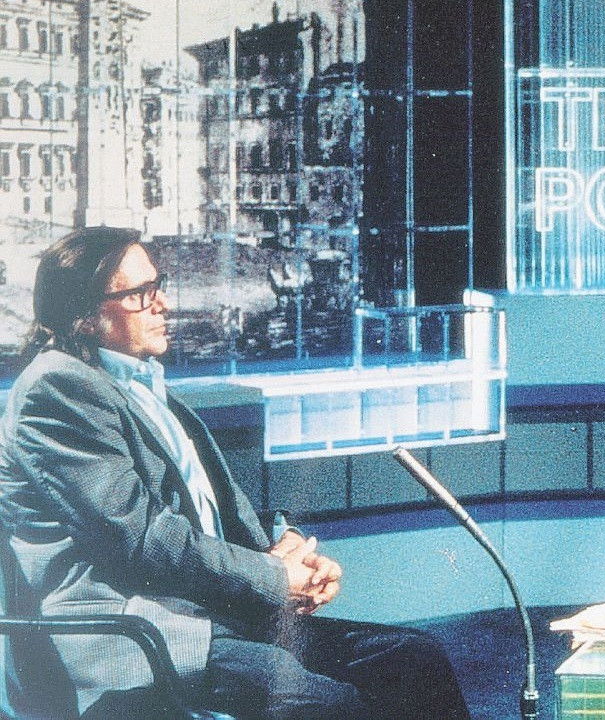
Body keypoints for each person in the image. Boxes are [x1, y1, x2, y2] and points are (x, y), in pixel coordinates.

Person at [0, 227, 471, 719]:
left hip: (202, 614)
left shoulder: (136, 384)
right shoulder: (57, 389)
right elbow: (142, 539)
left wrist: (285, 552)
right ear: (83, 316)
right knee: (330, 706)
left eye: (158, 285)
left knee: (412, 659)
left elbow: (202, 510)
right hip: (130, 631)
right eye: (140, 293)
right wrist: (274, 577)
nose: (163, 304)